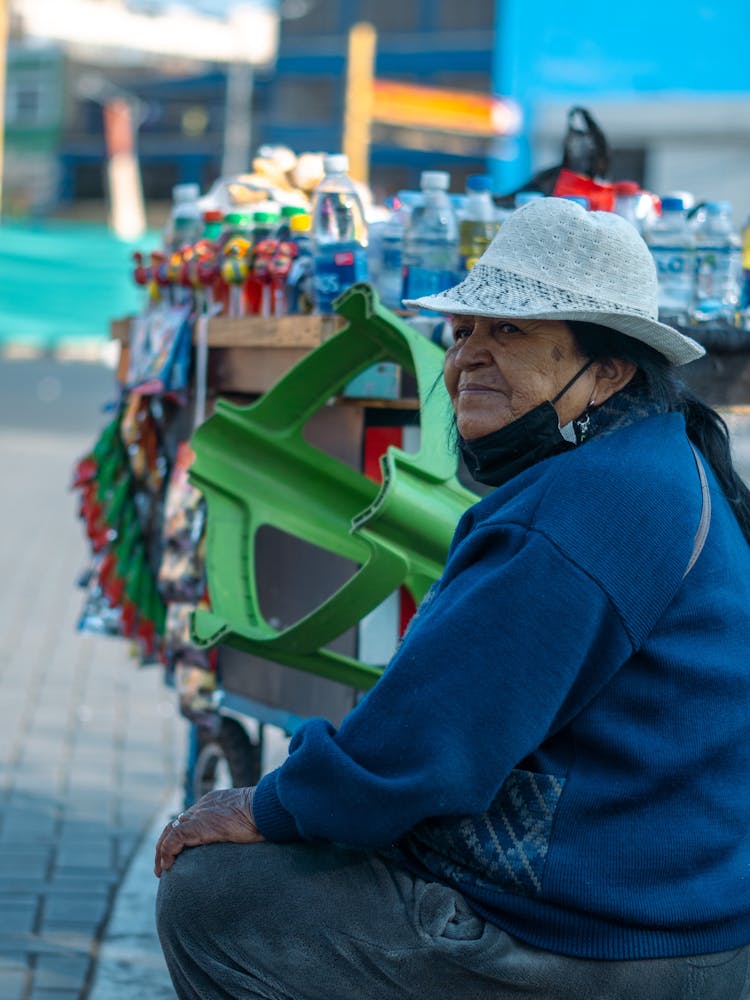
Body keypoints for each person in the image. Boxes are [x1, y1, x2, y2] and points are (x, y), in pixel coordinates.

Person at [154, 197, 750, 999]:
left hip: (609, 941)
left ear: (608, 371)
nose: (468, 355)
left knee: (215, 898)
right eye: (463, 331)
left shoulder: (589, 507)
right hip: (666, 915)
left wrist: (269, 804)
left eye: (509, 332)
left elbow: (420, 753)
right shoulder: (648, 463)